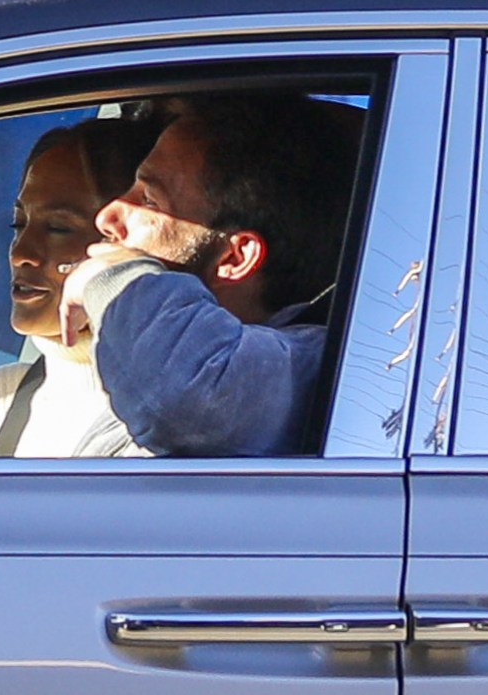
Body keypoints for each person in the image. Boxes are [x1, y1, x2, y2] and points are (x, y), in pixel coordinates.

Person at [61, 93, 361, 457]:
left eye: (149, 200)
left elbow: (194, 401)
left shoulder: (312, 373)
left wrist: (118, 276)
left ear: (235, 258)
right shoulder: (149, 368)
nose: (106, 216)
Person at [0, 115, 161, 457]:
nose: (20, 253)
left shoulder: (165, 424)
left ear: (129, 243)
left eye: (58, 228)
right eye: (18, 223)